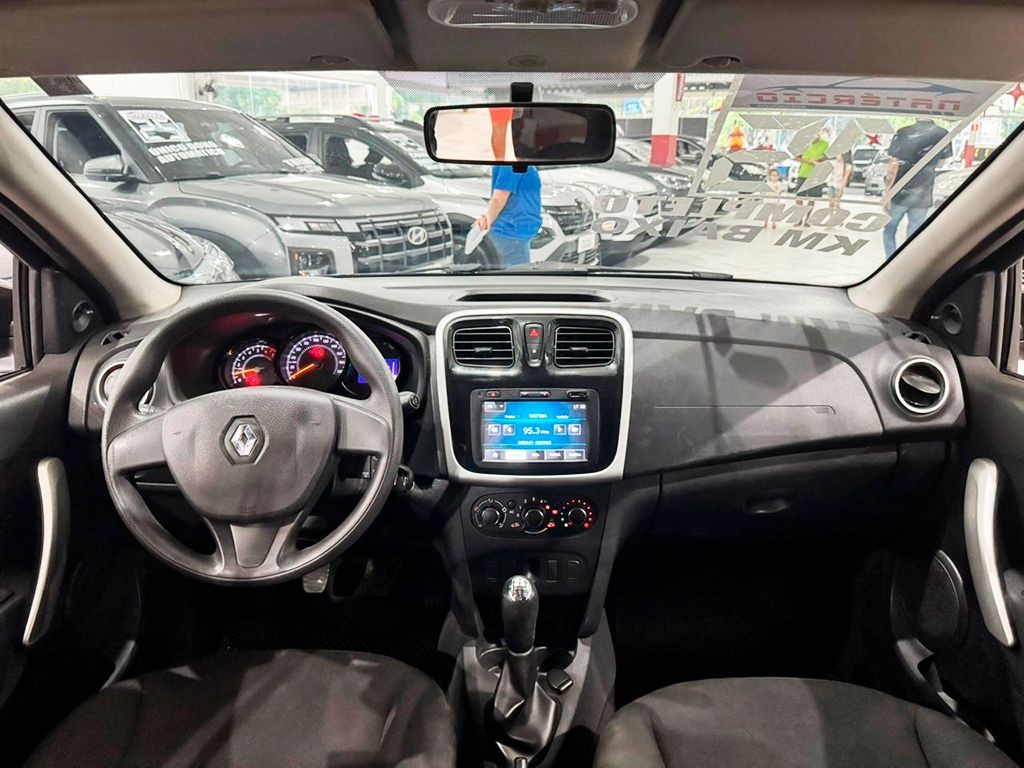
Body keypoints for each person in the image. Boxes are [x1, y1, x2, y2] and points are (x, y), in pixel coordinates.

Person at [883, 117, 952, 258]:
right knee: (914, 233)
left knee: (889, 229)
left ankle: (891, 260)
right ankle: (908, 260)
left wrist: (887, 193)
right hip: (923, 193)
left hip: (900, 192)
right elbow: (941, 163)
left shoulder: (903, 132)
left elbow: (893, 166)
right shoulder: (943, 133)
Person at [475, 165, 542, 269]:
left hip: (514, 231)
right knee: (515, 276)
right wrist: (488, 219)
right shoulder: (510, 164)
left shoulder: (517, 163)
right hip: (510, 232)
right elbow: (499, 197)